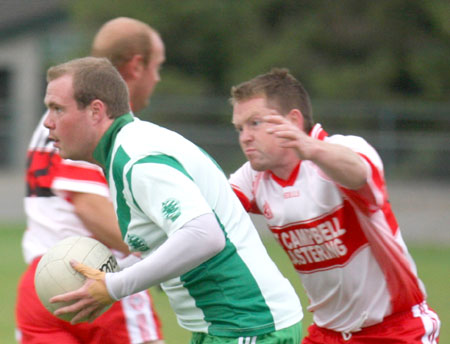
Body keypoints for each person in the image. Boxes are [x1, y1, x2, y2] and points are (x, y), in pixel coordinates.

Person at [42, 56, 304, 343]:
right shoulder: (127, 149)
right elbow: (170, 245)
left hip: (248, 325)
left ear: (95, 111)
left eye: (57, 109)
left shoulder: (137, 158)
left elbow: (204, 235)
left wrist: (115, 286)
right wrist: (108, 277)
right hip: (225, 326)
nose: (47, 122)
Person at [228, 68, 441, 343]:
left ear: (292, 120)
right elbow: (209, 212)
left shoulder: (340, 150)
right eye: (239, 128)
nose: (245, 136)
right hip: (327, 335)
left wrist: (311, 149)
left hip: (395, 330)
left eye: (255, 123)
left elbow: (358, 172)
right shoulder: (255, 177)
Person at [16, 17, 166, 344]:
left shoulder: (55, 114)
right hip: (94, 275)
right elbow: (88, 206)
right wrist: (165, 257)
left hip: (41, 281)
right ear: (137, 66)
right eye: (158, 66)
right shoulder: (92, 120)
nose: (157, 77)